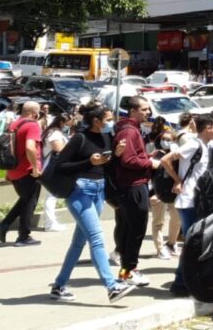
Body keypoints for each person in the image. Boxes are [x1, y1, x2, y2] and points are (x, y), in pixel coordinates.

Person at [49, 104, 136, 303]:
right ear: (96, 120)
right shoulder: (80, 138)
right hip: (81, 192)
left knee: (79, 242)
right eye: (107, 118)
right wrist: (89, 162)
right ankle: (111, 286)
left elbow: (106, 165)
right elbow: (61, 166)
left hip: (98, 190)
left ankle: (59, 285)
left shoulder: (106, 137)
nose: (110, 122)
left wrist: (116, 154)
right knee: (96, 238)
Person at [161, 114, 213, 293]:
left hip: (197, 200)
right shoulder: (194, 144)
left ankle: (187, 282)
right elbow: (165, 160)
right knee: (191, 243)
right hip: (188, 200)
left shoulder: (206, 145)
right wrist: (177, 180)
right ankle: (180, 283)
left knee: (194, 243)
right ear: (207, 127)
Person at [112, 96, 160, 286]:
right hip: (132, 186)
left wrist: (146, 156)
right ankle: (129, 270)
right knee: (136, 230)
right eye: (144, 109)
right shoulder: (129, 131)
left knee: (129, 229)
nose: (148, 112)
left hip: (132, 185)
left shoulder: (130, 129)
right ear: (133, 111)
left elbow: (131, 156)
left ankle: (126, 271)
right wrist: (150, 162)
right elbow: (128, 160)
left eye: (148, 109)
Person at [0, 101, 44, 246]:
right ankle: (23, 236)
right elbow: (30, 147)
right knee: (29, 202)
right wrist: (35, 167)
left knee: (25, 200)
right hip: (27, 171)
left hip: (14, 170)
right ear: (35, 113)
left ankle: (4, 225)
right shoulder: (32, 125)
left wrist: (8, 172)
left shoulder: (14, 124)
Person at [147, 120, 181, 260]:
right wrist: (153, 193)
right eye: (164, 139)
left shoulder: (177, 156)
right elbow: (150, 176)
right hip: (158, 193)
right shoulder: (155, 154)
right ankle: (160, 248)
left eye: (169, 139)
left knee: (177, 219)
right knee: (158, 222)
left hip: (173, 192)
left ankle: (171, 244)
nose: (166, 142)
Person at [41, 113, 74, 232]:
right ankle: (50, 223)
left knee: (52, 195)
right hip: (51, 168)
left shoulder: (53, 132)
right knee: (52, 195)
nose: (70, 125)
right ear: (62, 122)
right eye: (69, 123)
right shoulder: (55, 134)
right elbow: (59, 149)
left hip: (50, 168)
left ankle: (51, 222)